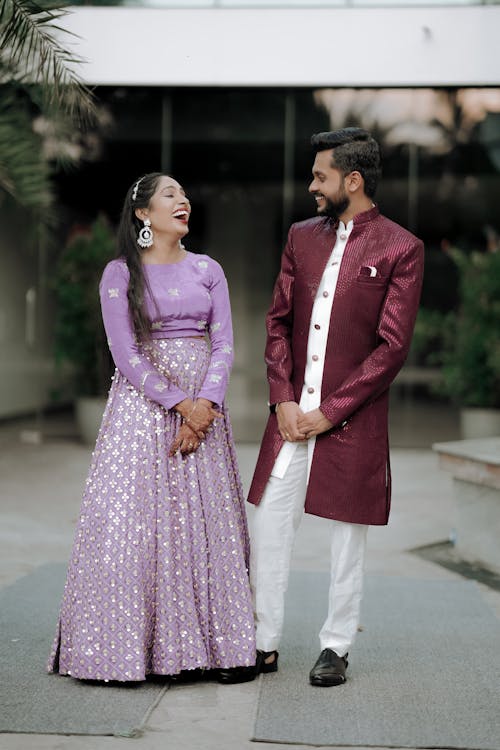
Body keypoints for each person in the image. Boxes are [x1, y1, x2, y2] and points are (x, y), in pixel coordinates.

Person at [47, 173, 256, 684]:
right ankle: (123, 650)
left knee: (209, 531)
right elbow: (124, 352)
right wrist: (180, 404)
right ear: (143, 213)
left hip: (204, 413)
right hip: (143, 411)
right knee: (136, 528)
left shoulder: (209, 269)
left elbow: (225, 343)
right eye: (170, 194)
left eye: (185, 194)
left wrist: (205, 404)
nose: (183, 201)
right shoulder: (120, 273)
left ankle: (219, 650)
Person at [247, 128, 424, 686]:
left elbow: (392, 347)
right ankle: (261, 641)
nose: (311, 186)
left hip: (352, 419)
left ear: (353, 180)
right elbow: (277, 323)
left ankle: (336, 645)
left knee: (348, 536)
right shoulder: (302, 237)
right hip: (290, 417)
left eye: (320, 176)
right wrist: (281, 399)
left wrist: (332, 411)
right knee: (270, 522)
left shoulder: (401, 247)